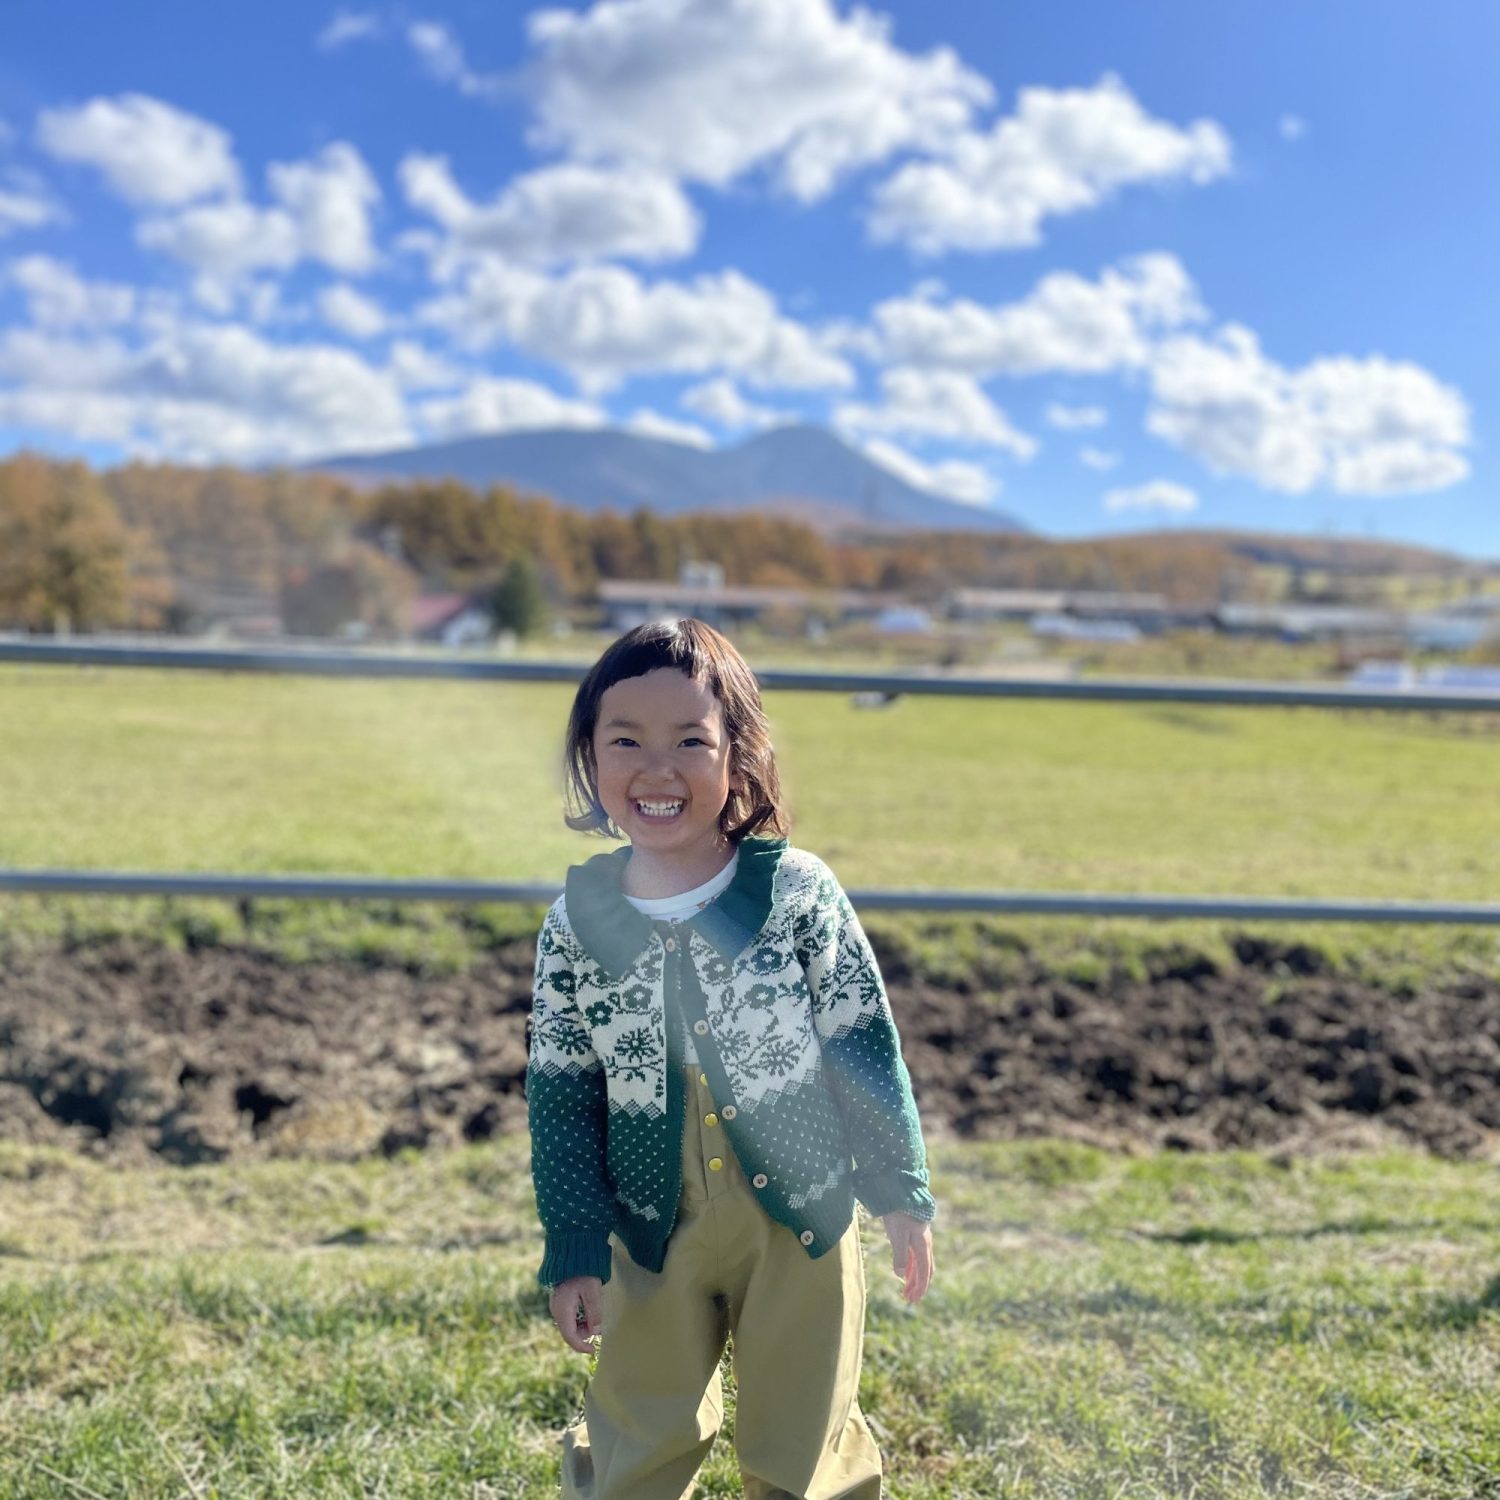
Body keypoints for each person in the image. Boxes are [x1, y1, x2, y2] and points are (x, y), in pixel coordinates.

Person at [527, 617, 936, 1500]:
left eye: (691, 741)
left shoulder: (796, 893)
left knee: (804, 1441)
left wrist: (898, 1189)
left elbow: (861, 1039)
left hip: (802, 1220)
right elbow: (561, 1097)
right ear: (590, 758)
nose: (658, 768)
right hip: (649, 1223)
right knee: (640, 1427)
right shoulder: (574, 926)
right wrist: (572, 1246)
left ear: (738, 755)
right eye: (626, 740)